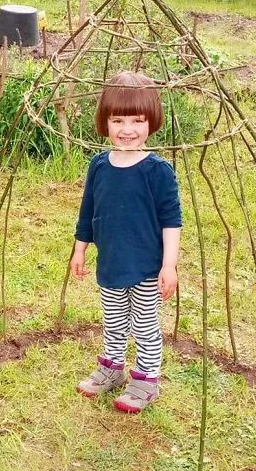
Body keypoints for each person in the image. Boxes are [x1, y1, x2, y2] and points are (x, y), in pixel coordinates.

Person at [71, 71, 182, 413]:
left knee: (145, 326)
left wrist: (169, 265)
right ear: (105, 122)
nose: (127, 129)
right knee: (114, 320)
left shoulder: (157, 171)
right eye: (118, 120)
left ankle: (146, 381)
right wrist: (80, 247)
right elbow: (89, 208)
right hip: (111, 262)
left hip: (146, 267)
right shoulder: (100, 164)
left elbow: (171, 220)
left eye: (138, 120)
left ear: (152, 122)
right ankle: (112, 369)